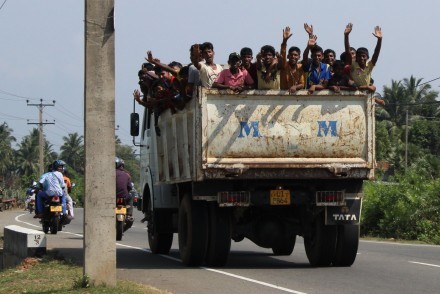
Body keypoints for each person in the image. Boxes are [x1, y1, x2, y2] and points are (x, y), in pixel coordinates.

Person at [344, 23, 383, 92]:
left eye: (363, 56)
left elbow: (376, 53)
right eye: (359, 56)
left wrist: (379, 40)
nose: (361, 58)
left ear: (367, 57)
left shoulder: (369, 65)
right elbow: (348, 52)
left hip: (366, 94)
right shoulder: (353, 65)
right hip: (355, 93)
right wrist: (346, 36)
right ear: (356, 57)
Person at [279, 26, 305, 93]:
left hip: (296, 98)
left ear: (299, 57)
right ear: (288, 56)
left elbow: (302, 84)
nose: (293, 57)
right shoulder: (284, 65)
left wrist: (295, 87)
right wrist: (284, 41)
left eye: (296, 55)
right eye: (291, 55)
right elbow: (283, 53)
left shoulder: (300, 67)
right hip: (282, 96)